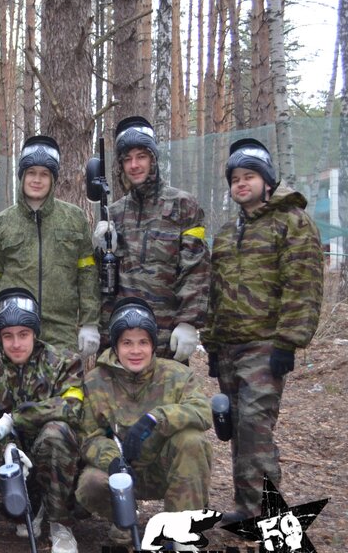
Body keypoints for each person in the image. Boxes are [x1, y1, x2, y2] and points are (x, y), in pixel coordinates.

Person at [201, 139, 323, 523]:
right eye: (235, 178)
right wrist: (212, 344)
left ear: (267, 180)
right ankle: (247, 506)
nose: (241, 183)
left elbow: (303, 285)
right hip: (229, 345)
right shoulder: (227, 232)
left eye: (249, 176)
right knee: (237, 427)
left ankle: (266, 514)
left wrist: (287, 342)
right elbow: (215, 292)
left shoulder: (292, 223)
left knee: (255, 426)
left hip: (265, 344)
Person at [76, 297, 212, 545]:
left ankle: (182, 530)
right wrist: (114, 462)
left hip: (165, 468)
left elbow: (203, 412)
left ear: (153, 345)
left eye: (143, 342)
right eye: (127, 343)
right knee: (90, 484)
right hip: (120, 472)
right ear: (116, 346)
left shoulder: (177, 374)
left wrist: (156, 418)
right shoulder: (95, 381)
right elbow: (89, 437)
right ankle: (124, 517)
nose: (136, 351)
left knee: (192, 441)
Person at [0, 287, 82, 553]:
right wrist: (6, 448)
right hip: (19, 464)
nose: (16, 343)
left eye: (23, 334)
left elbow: (72, 409)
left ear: (35, 333)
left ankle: (60, 525)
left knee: (55, 432)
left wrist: (16, 418)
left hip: (63, 468)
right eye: (8, 336)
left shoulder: (64, 363)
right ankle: (28, 513)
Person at [94, 116, 209, 363]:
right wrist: (101, 252)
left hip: (166, 338)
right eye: (127, 159)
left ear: (153, 159)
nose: (134, 165)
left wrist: (188, 323)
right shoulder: (114, 213)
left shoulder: (183, 205)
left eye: (141, 157)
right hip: (122, 340)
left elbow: (196, 268)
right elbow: (104, 284)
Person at [0, 135, 100, 356]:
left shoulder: (74, 218)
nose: (37, 180)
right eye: (31, 173)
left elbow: (87, 274)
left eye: (44, 174)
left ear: (53, 179)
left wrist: (89, 322)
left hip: (62, 331)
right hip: (14, 329)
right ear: (22, 176)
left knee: (66, 379)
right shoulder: (1, 224)